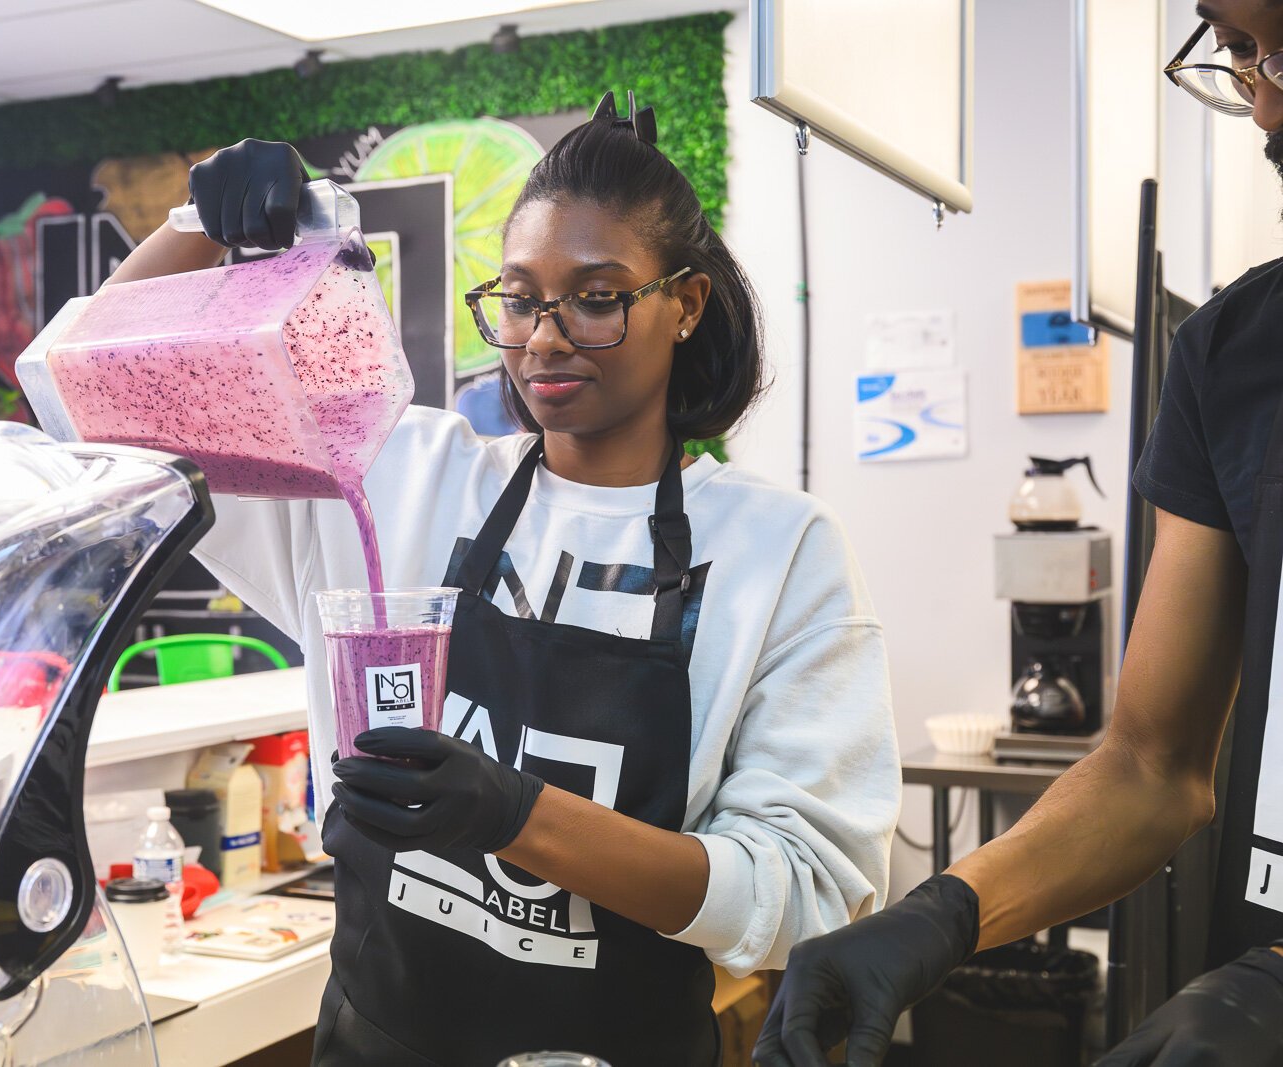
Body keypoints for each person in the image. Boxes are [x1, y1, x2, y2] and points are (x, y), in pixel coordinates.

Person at [108, 93, 900, 1064]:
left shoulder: (777, 549)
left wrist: (518, 815)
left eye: (597, 296)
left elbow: (808, 894)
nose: (544, 335)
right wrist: (198, 224)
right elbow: (108, 420)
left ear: (684, 303)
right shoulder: (399, 477)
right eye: (520, 298)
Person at [753, 3, 1283, 1065]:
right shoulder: (1230, 356)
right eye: (1235, 47)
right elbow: (1150, 762)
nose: (1264, 93)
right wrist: (936, 914)